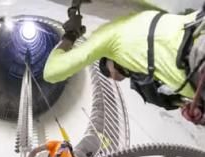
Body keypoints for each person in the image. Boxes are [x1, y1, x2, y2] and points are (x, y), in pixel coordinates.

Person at [43, 6, 205, 123]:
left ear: (110, 61)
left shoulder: (107, 37)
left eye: (111, 73)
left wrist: (70, 36)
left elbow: (51, 72)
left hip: (196, 57)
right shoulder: (143, 17)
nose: (117, 78)